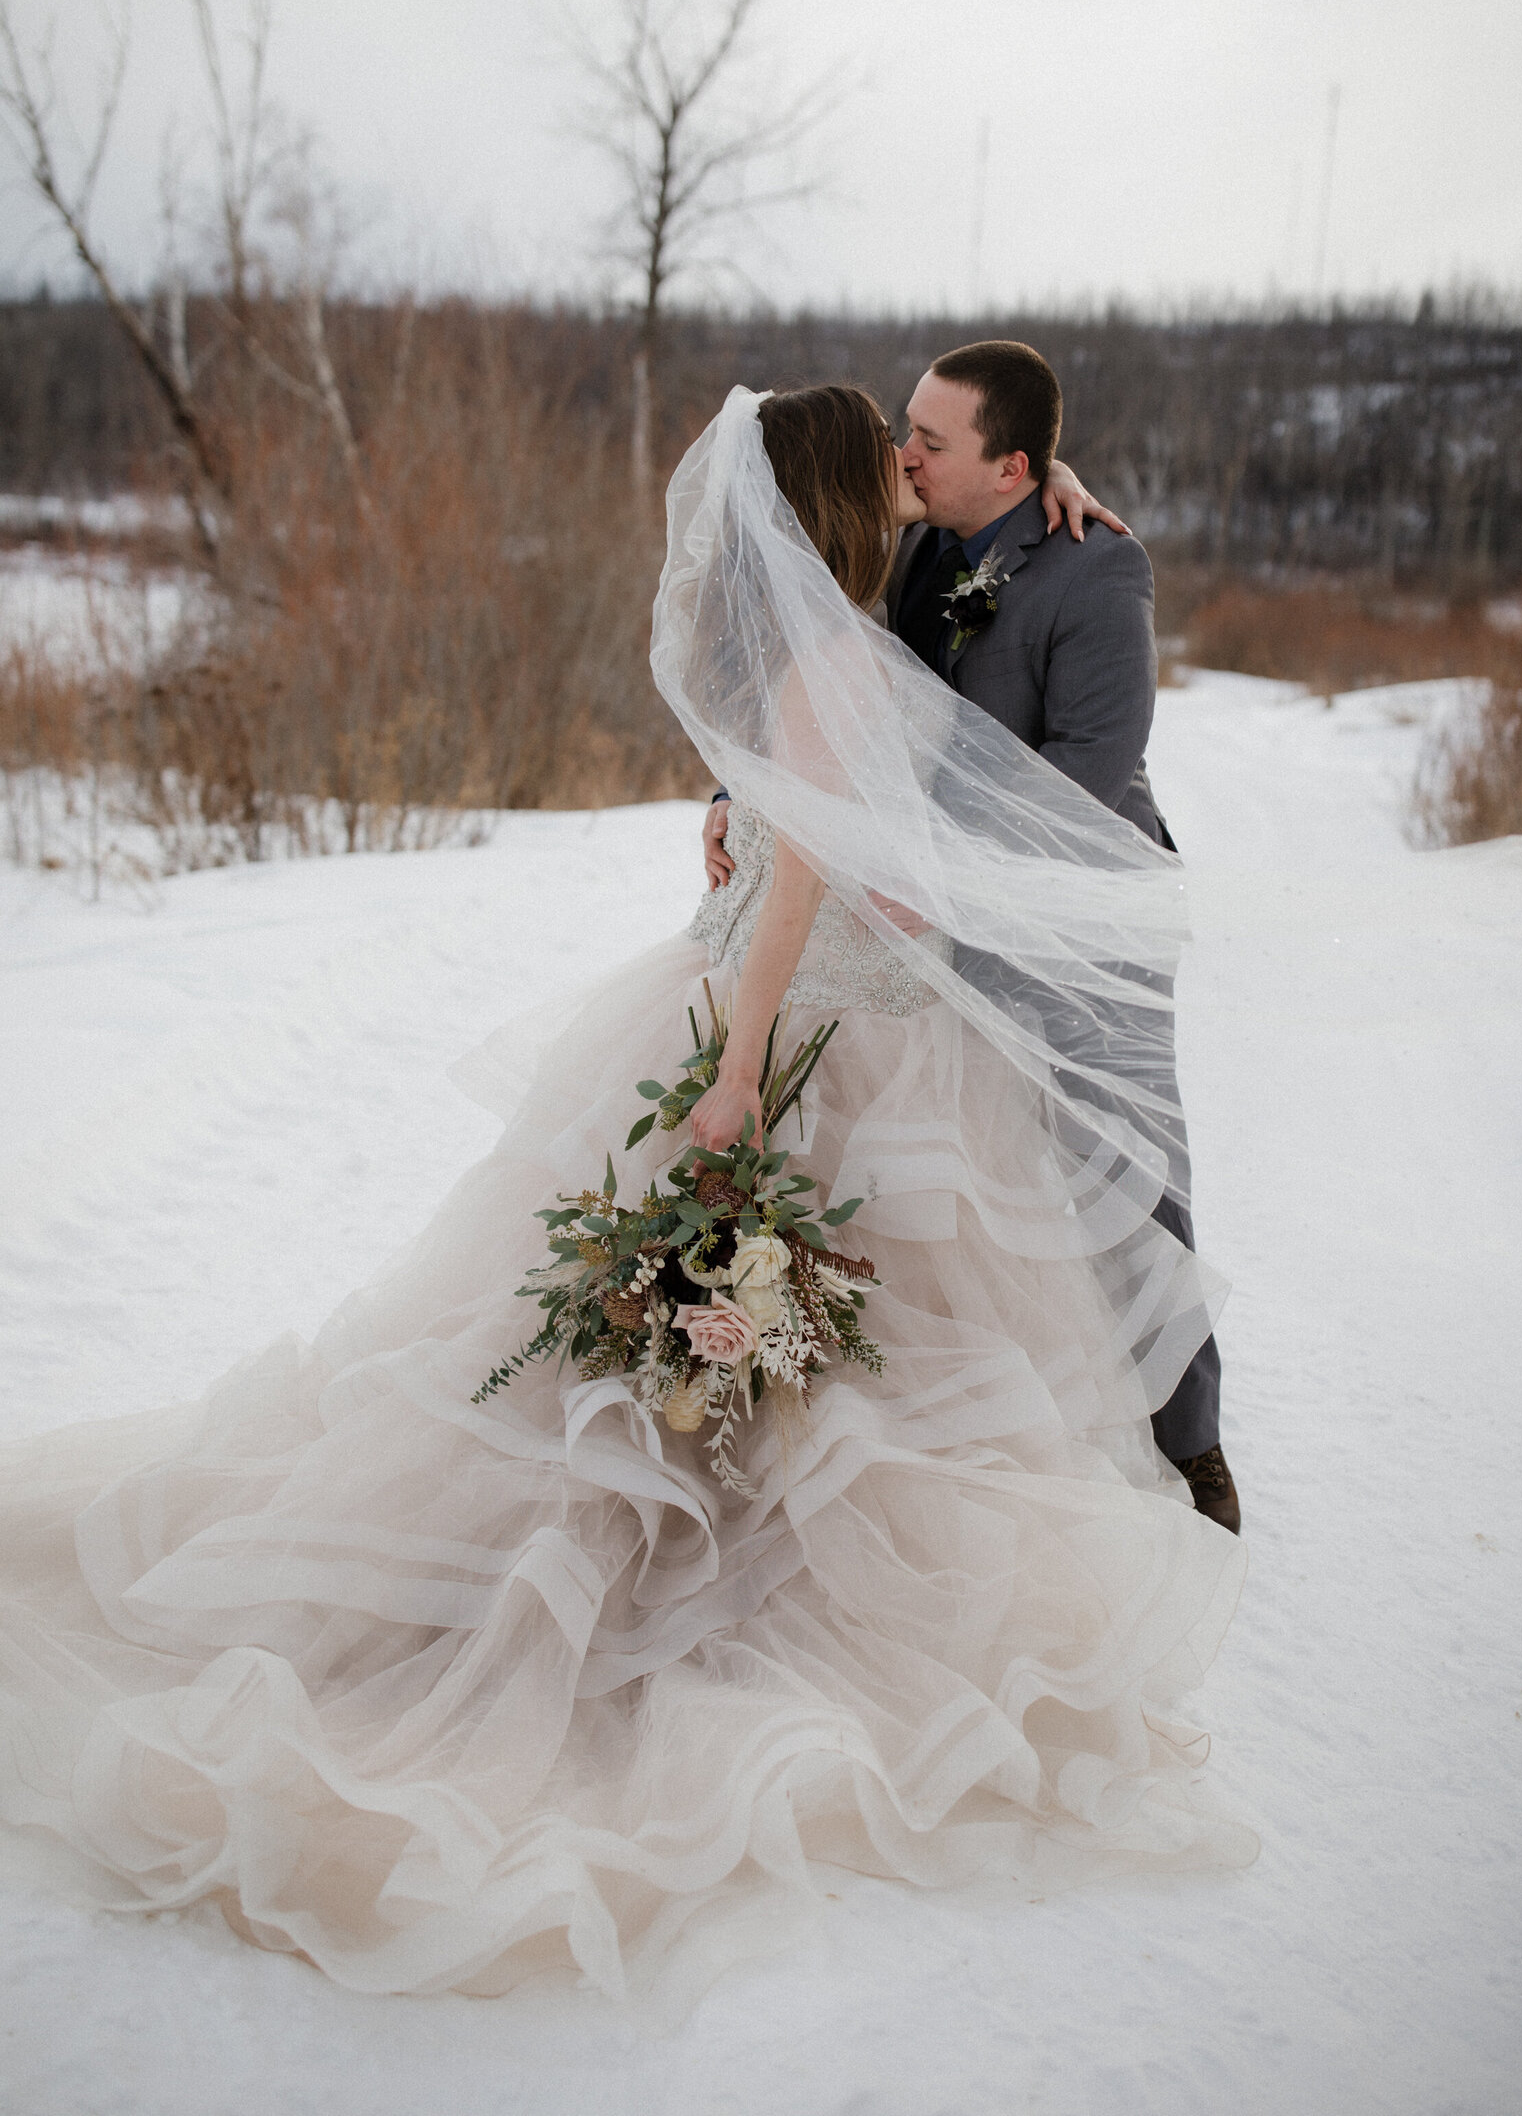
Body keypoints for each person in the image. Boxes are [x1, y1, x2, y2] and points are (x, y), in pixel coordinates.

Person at [0, 384, 1252, 2003]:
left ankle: (792, 1504)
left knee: (858, 1318)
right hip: (804, 1017)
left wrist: (1047, 491)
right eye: (888, 448)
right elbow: (805, 858)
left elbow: (870, 763)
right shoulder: (828, 649)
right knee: (756, 1296)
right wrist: (739, 1069)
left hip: (859, 1003)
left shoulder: (892, 592)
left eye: (924, 439)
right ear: (844, 496)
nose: (907, 456)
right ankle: (702, 1552)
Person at [704, 343, 1239, 1532]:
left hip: (1072, 916)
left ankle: (1190, 1441)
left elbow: (1081, 781)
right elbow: (799, 680)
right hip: (911, 926)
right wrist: (733, 801)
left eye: (929, 442)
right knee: (964, 1191)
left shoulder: (1101, 573)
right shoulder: (925, 533)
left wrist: (932, 882)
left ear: (1010, 467)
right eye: (904, 430)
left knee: (1124, 1173)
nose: (903, 452)